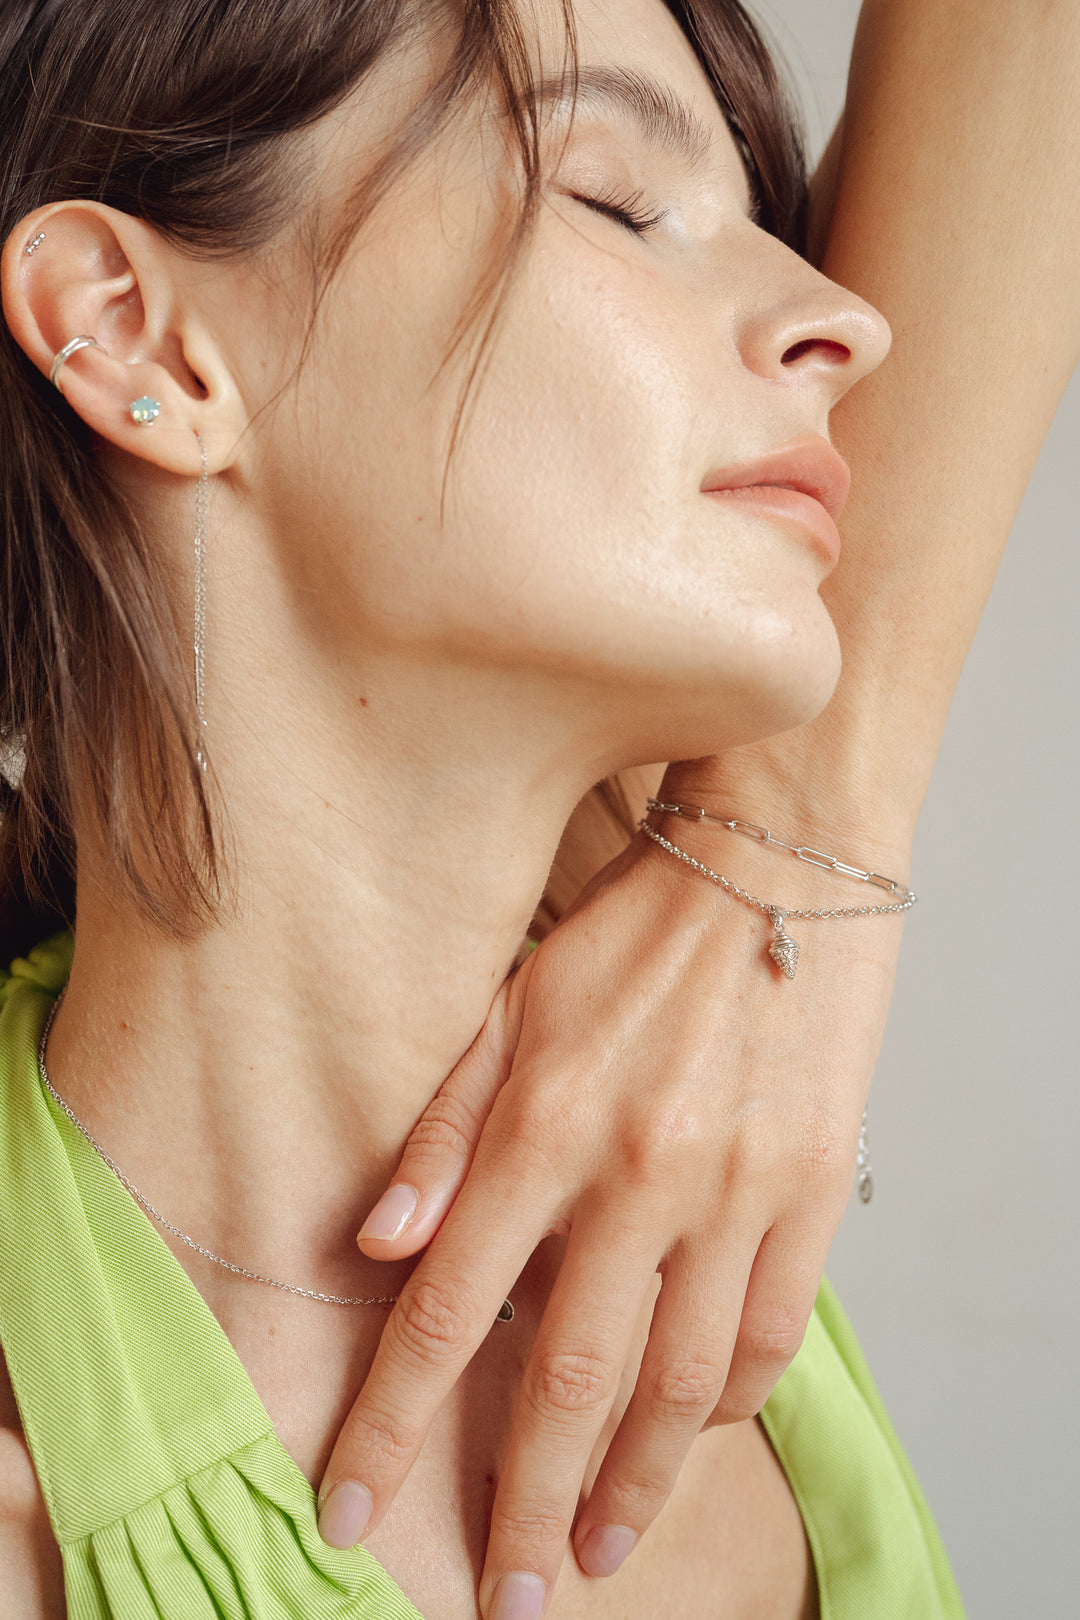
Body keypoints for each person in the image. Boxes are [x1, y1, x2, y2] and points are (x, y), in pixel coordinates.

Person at [0, 3, 1076, 1620]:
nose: (851, 319)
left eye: (766, 227)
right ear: (137, 338)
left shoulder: (724, 1332)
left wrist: (806, 830)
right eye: (621, 202)